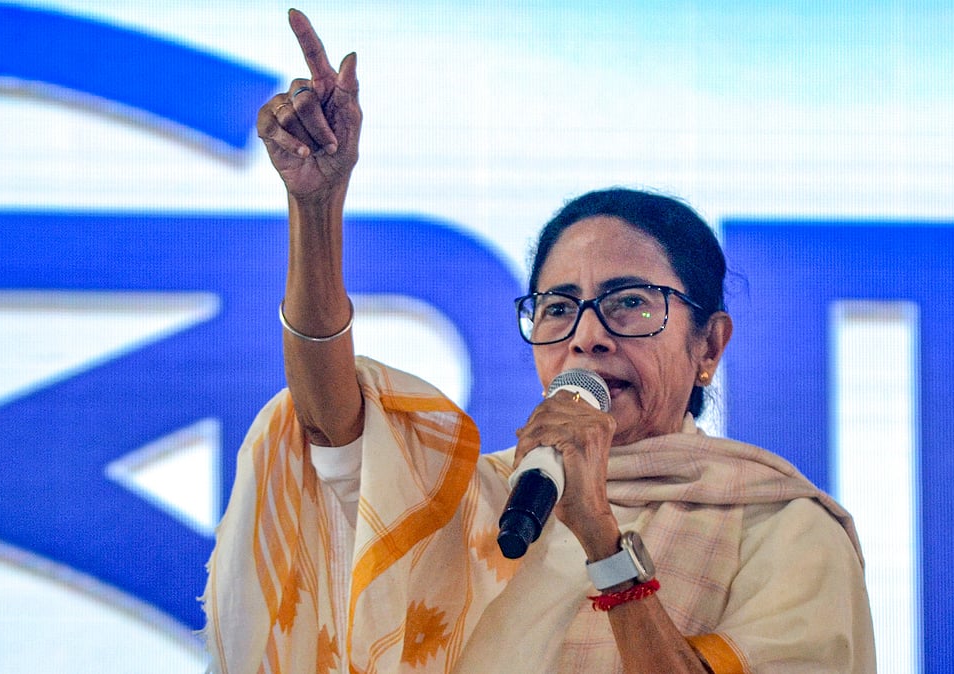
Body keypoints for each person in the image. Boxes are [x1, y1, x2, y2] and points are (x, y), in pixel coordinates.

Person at [201, 9, 875, 674]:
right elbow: (327, 425)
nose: (587, 336)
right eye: (558, 308)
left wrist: (599, 534)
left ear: (710, 347)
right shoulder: (481, 505)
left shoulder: (783, 530)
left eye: (630, 303)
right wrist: (315, 209)